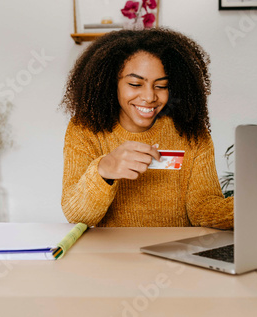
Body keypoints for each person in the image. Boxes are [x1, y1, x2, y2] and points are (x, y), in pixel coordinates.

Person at [60, 27, 233, 228]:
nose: (150, 97)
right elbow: (78, 216)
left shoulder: (189, 130)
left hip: (174, 255)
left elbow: (203, 209)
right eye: (135, 84)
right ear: (110, 82)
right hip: (113, 255)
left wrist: (248, 208)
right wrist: (103, 170)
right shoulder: (85, 129)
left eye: (161, 86)